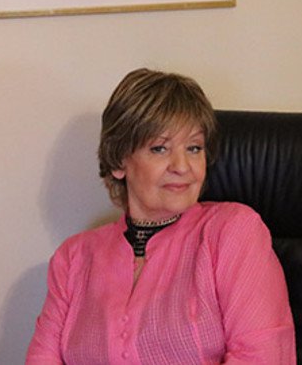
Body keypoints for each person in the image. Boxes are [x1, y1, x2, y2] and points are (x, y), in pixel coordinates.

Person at [26, 68, 296, 364]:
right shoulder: (73, 259)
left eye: (194, 148)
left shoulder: (233, 230)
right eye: (160, 148)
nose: (182, 166)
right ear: (119, 161)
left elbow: (262, 356)